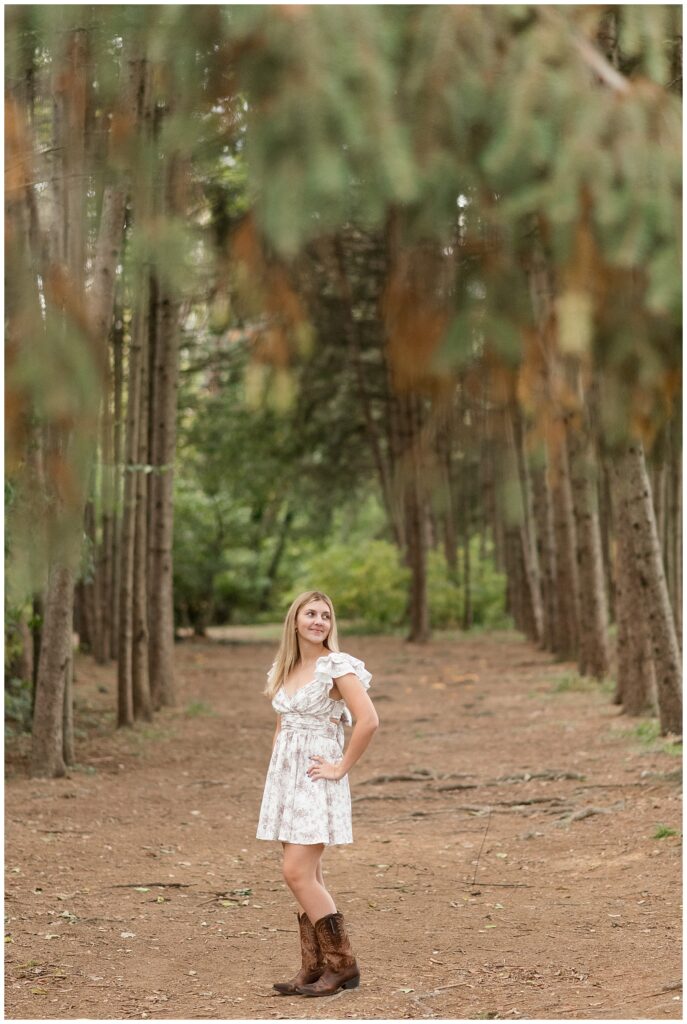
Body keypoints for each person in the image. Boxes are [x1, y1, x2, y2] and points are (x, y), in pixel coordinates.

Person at [256, 589, 379, 997]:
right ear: (295, 620)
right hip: (286, 780)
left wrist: (340, 767)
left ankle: (343, 964)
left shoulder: (337, 667)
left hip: (316, 776)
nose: (319, 621)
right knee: (307, 875)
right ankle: (314, 967)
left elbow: (368, 721)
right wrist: (276, 774)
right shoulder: (284, 668)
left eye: (325, 615)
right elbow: (282, 724)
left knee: (295, 871)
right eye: (310, 613)